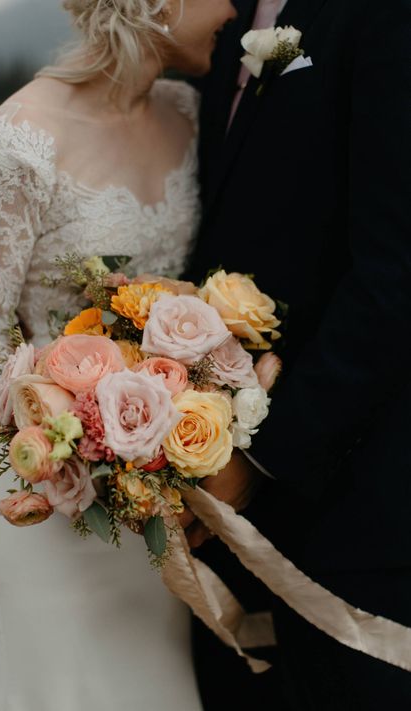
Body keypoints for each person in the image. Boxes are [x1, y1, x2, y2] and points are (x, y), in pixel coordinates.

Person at [0, 1, 238, 709]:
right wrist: (73, 434)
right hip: (54, 495)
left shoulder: (186, 113)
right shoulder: (14, 144)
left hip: (160, 492)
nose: (231, 7)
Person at [186, 0, 411, 708]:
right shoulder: (223, 23)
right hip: (216, 518)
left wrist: (258, 456)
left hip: (355, 508)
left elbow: (394, 272)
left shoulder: (384, 16)